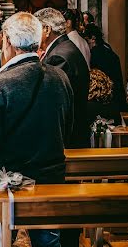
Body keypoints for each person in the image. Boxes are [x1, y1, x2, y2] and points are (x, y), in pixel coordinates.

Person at [0, 12, 71, 247]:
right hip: (51, 176)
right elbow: (67, 127)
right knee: (49, 245)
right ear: (38, 42)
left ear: (6, 40)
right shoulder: (59, 77)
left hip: (10, 183)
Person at [35, 8, 89, 148]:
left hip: (67, 136)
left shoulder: (59, 56)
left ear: (46, 29)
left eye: (35, 29)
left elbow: (50, 100)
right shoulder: (64, 47)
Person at [82, 23, 125, 109]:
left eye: (86, 40)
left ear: (93, 39)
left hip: (104, 95)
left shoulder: (96, 54)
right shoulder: (106, 48)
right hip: (115, 95)